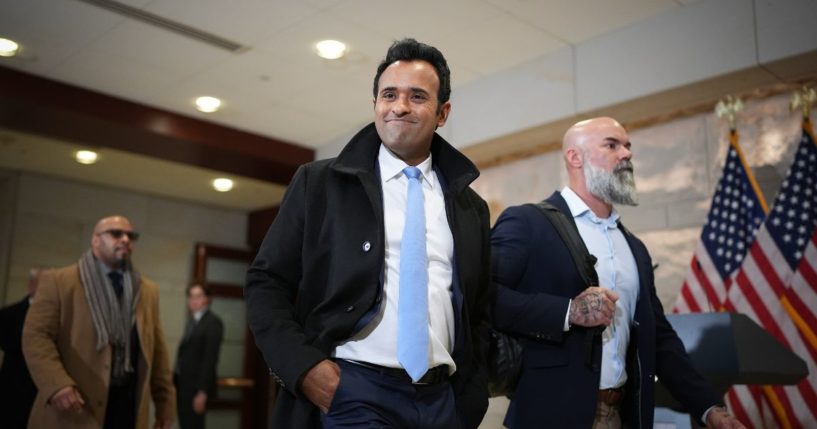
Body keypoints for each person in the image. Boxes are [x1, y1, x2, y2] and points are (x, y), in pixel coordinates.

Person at [245, 38, 492, 429]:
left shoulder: (469, 207)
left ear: (442, 112)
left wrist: (469, 397)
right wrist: (305, 370)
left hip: (442, 401)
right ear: (375, 104)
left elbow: (477, 312)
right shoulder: (319, 183)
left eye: (416, 97)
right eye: (388, 94)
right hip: (351, 390)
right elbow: (266, 283)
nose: (399, 107)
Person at [491, 117, 745, 429]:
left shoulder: (634, 247)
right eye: (612, 145)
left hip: (622, 414)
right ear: (575, 157)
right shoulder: (527, 222)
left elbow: (661, 340)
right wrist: (568, 311)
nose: (626, 154)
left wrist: (709, 408)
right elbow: (485, 299)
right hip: (549, 414)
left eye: (627, 146)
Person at [23, 215, 175, 429]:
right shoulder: (59, 281)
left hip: (126, 407)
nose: (125, 239)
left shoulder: (146, 290)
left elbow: (157, 352)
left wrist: (165, 405)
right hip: (74, 406)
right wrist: (56, 384)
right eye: (115, 233)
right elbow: (35, 336)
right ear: (95, 240)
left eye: (131, 236)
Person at [174, 284, 224, 429]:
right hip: (183, 386)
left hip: (196, 389)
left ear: (207, 299)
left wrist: (202, 393)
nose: (193, 300)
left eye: (198, 296)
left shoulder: (213, 323)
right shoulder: (193, 321)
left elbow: (210, 360)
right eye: (191, 296)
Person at [0, 268, 42, 429]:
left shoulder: (60, 318)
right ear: (31, 286)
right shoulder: (8, 314)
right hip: (14, 384)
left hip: (41, 389)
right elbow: (9, 343)